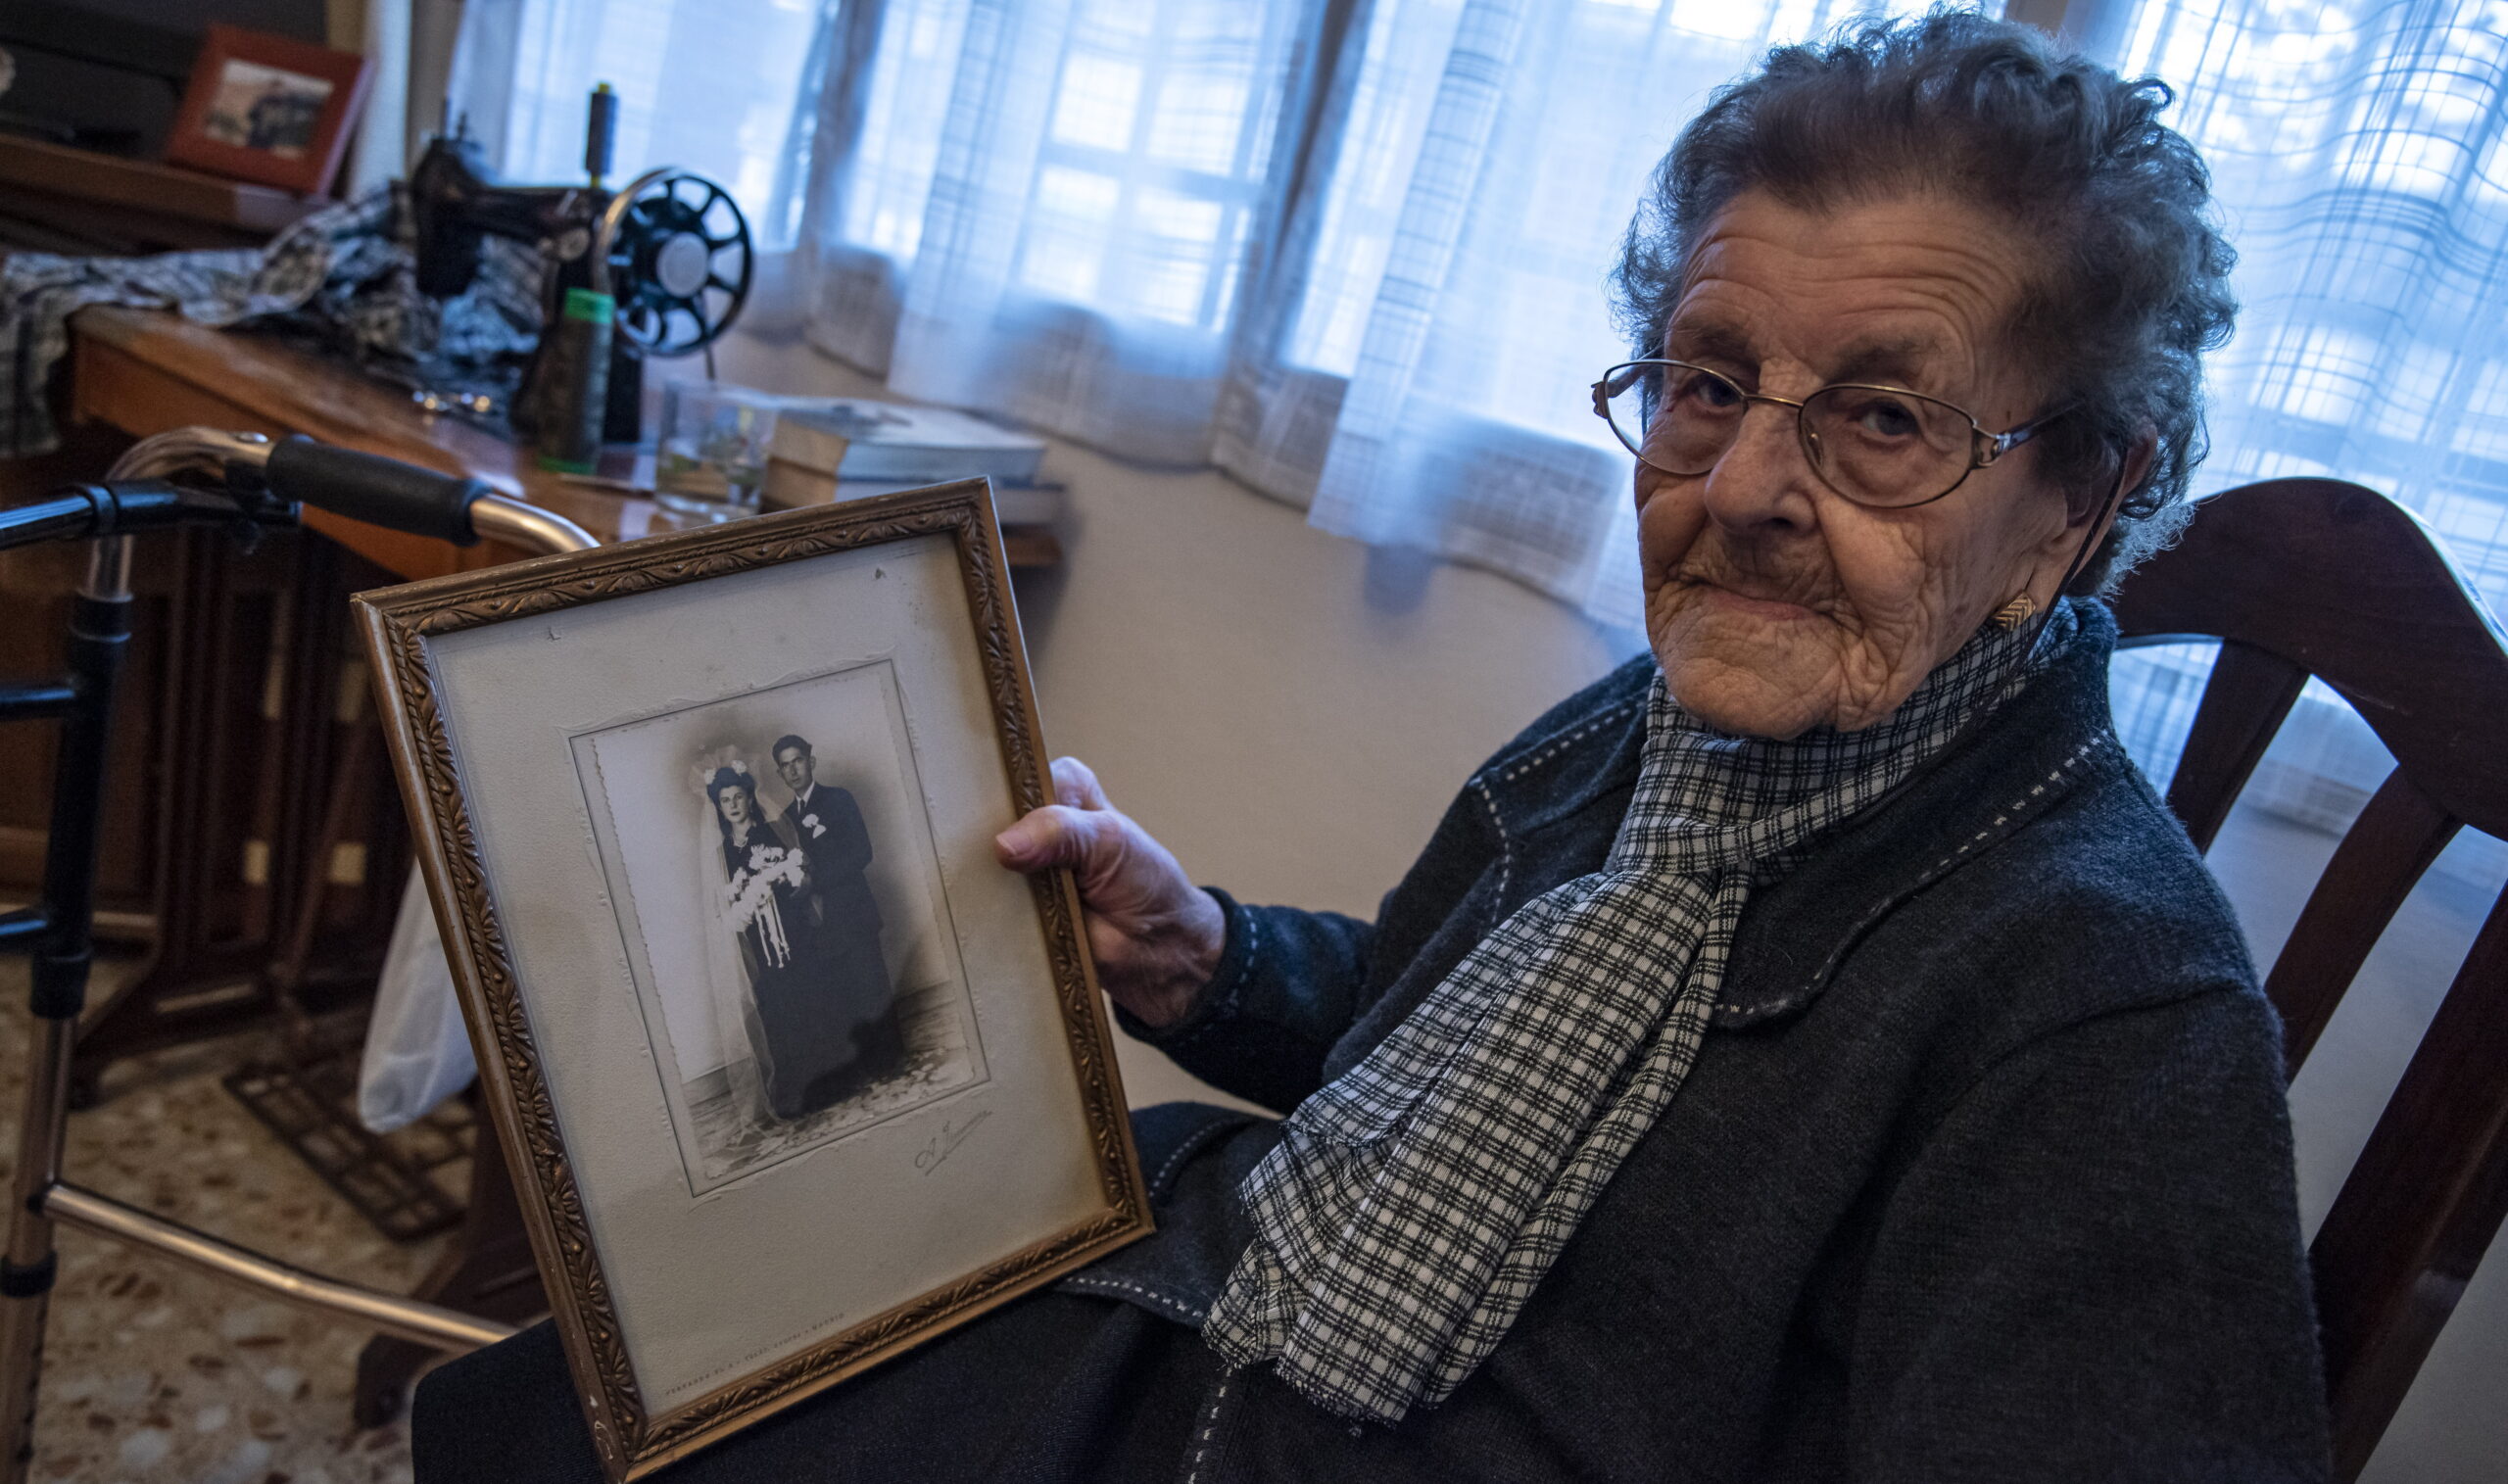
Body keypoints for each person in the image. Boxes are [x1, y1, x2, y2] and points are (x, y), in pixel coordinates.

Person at [414, 15, 2331, 1480]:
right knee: (646, 1329)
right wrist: (1204, 952)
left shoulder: (2102, 1008)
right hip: (1200, 1309)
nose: (1737, 486)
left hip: (1257, 1413)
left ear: (2072, 502)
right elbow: (1408, 1025)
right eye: (1704, 383)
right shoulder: (1650, 728)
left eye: (1880, 420)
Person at [705, 765, 856, 1122]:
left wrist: (788, 882)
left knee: (809, 998)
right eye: (725, 800)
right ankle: (797, 1090)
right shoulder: (722, 855)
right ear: (719, 807)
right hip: (759, 945)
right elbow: (723, 910)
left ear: (748, 797)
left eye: (738, 796)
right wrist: (746, 904)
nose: (733, 805)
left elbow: (803, 875)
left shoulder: (772, 833)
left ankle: (830, 1082)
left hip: (794, 932)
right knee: (778, 1012)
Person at [772, 733, 905, 1083]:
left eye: (797, 760)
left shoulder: (838, 799)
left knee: (872, 985)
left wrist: (818, 879)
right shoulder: (784, 821)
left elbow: (862, 852)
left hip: (853, 911)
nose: (793, 769)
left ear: (811, 761)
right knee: (845, 993)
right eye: (785, 765)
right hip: (820, 923)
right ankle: (864, 1067)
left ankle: (892, 1062)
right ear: (780, 774)